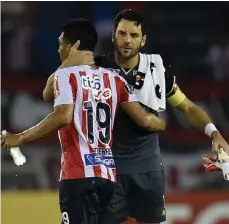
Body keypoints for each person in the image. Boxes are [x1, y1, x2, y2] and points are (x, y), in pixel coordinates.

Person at [43, 11, 229, 224]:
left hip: (147, 167)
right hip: (107, 169)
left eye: (133, 34)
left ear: (143, 39)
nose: (127, 40)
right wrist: (66, 65)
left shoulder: (157, 72)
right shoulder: (95, 67)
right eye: (122, 34)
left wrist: (214, 133)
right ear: (113, 35)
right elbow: (49, 93)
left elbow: (187, 107)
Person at [1, 18, 167, 224]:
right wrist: (162, 124)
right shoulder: (115, 79)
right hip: (108, 178)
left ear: (73, 46)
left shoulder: (66, 75)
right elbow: (144, 120)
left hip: (78, 176)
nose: (59, 48)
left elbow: (61, 114)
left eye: (61, 43)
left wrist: (21, 137)